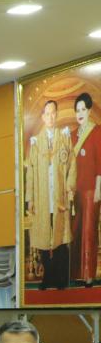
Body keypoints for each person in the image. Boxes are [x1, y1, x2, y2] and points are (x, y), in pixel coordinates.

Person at [26, 99, 73, 290]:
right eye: (47, 113)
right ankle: (48, 278)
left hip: (59, 197)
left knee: (60, 239)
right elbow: (30, 172)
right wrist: (30, 198)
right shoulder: (36, 142)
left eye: (53, 113)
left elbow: (72, 164)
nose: (51, 117)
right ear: (43, 117)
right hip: (43, 198)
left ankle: (61, 279)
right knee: (44, 239)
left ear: (57, 114)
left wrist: (69, 187)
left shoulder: (64, 137)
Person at [70, 93, 99, 286]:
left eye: (83, 109)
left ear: (89, 111)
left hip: (91, 191)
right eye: (77, 110)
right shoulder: (72, 135)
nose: (80, 113)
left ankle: (89, 275)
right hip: (76, 191)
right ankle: (77, 274)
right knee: (77, 231)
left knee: (89, 232)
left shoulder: (97, 132)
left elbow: (100, 164)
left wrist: (99, 189)